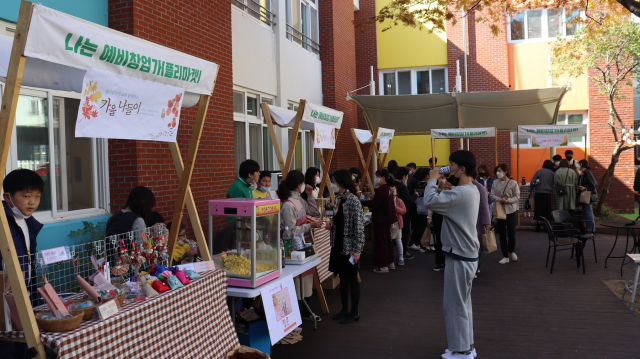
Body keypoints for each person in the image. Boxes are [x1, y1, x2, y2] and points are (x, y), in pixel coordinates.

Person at [423, 150, 480, 359]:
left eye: (452, 165)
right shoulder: (470, 190)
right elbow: (446, 200)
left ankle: (461, 350)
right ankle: (465, 345)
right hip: (467, 254)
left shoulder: (460, 193)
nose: (449, 168)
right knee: (463, 304)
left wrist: (432, 180)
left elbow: (428, 201)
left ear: (462, 169)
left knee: (454, 305)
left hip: (458, 255)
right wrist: (442, 186)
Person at [0, 170, 45, 359]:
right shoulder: (2, 223)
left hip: (26, 292)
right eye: (26, 196)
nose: (32, 202)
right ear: (7, 196)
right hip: (4, 295)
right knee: (8, 342)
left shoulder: (28, 223)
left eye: (37, 196)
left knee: (25, 341)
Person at [277, 170, 323, 320]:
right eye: (303, 183)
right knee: (297, 281)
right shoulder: (288, 205)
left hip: (304, 244)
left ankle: (305, 312)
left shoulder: (298, 199)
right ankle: (297, 315)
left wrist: (309, 196)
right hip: (293, 248)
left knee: (306, 279)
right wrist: (311, 226)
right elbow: (290, 231)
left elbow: (313, 211)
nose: (304, 185)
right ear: (298, 184)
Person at [327, 169, 365, 324]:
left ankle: (355, 311)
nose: (333, 184)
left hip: (349, 247)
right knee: (342, 277)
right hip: (338, 245)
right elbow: (337, 218)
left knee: (352, 278)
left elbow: (359, 227)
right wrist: (332, 223)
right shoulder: (338, 199)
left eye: (335, 181)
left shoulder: (353, 200)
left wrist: (357, 249)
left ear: (342, 182)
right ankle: (344, 309)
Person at [106, 186, 156, 259]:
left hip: (111, 264)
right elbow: (142, 248)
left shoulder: (112, 218)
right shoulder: (138, 220)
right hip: (130, 264)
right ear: (143, 202)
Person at [366, 169, 396, 273]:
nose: (376, 179)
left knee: (381, 243)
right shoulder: (387, 189)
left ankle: (383, 266)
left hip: (381, 220)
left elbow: (375, 204)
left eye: (377, 176)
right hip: (387, 219)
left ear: (383, 177)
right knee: (387, 241)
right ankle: (390, 262)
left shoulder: (382, 190)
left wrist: (367, 202)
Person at [490, 164, 520, 265]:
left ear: (505, 171)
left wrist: (507, 201)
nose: (498, 172)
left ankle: (511, 250)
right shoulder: (495, 182)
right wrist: (500, 200)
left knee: (511, 233)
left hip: (511, 210)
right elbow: (492, 195)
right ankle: (505, 256)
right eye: (497, 171)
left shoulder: (513, 183)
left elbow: (517, 197)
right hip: (500, 211)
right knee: (502, 234)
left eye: (500, 170)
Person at [472, 175, 491, 278]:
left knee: (477, 245)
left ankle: (476, 268)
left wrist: (487, 223)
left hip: (478, 222)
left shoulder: (479, 188)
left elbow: (484, 207)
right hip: (472, 221)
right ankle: (476, 267)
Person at [409, 168, 432, 251]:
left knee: (418, 227)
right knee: (425, 229)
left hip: (418, 209)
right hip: (427, 210)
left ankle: (417, 242)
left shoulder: (417, 185)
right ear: (427, 176)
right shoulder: (429, 186)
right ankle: (424, 244)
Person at [393, 167, 414, 259]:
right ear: (403, 176)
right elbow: (408, 200)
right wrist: (415, 196)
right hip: (402, 213)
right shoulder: (402, 187)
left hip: (392, 213)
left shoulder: (391, 185)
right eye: (406, 176)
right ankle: (404, 253)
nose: (406, 178)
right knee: (404, 234)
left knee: (394, 236)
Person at [531, 160, 555, 230]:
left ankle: (538, 224)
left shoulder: (539, 171)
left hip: (539, 192)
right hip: (548, 193)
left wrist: (530, 190)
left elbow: (533, 182)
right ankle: (546, 226)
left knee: (538, 208)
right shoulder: (552, 173)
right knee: (547, 209)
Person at [389, 182, 407, 267]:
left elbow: (404, 211)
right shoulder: (387, 200)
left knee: (398, 240)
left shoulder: (399, 201)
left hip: (397, 223)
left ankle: (401, 258)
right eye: (391, 189)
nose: (393, 191)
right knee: (389, 241)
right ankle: (390, 258)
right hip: (388, 223)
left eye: (394, 189)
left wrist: (396, 208)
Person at [578, 160, 597, 232]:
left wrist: (585, 188)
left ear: (581, 164)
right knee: (586, 211)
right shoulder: (584, 173)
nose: (578, 166)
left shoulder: (587, 172)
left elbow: (594, 184)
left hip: (587, 195)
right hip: (586, 195)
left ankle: (591, 229)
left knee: (588, 211)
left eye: (579, 164)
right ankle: (589, 228)